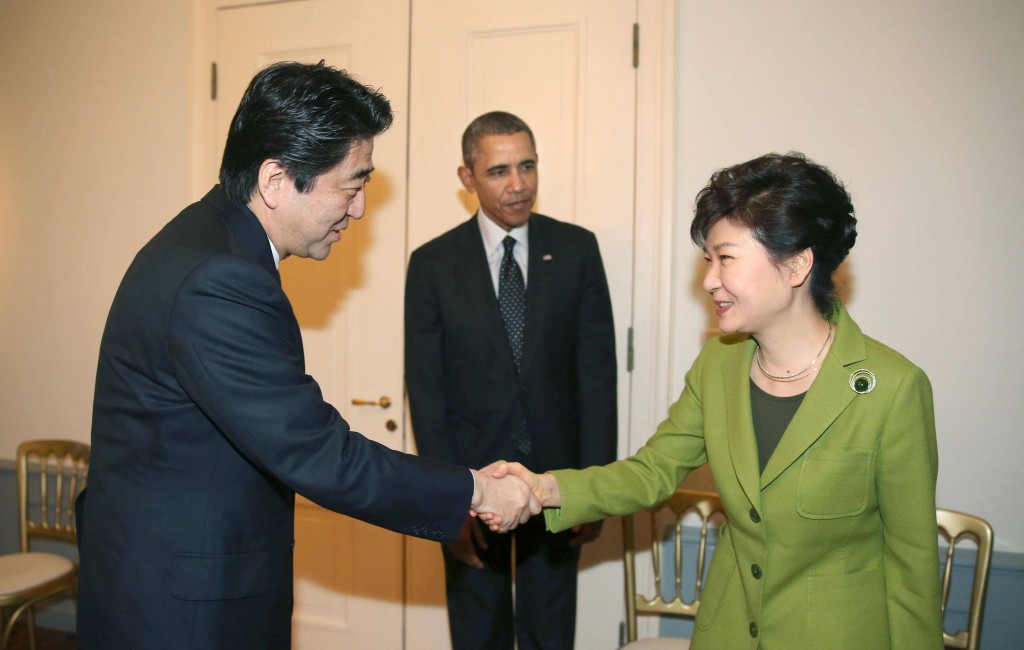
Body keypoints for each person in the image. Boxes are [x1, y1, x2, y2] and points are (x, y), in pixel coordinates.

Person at [75, 62, 537, 650]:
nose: (361, 207)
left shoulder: (210, 243)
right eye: (351, 183)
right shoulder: (217, 278)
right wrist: (475, 490)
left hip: (173, 580)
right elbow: (320, 454)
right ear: (276, 180)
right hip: (182, 609)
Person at [497, 153, 944, 648]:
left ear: (796, 263)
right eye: (708, 259)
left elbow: (912, 570)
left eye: (725, 257)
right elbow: (650, 473)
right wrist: (540, 489)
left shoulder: (893, 388)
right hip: (728, 631)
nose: (709, 279)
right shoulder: (719, 366)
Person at [404, 111, 617, 650]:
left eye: (527, 166)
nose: (518, 184)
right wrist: (444, 503)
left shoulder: (577, 250)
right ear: (467, 177)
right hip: (472, 489)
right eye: (499, 171)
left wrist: (592, 486)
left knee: (551, 632)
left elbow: (597, 375)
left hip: (557, 486)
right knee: (479, 633)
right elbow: (427, 392)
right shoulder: (431, 264)